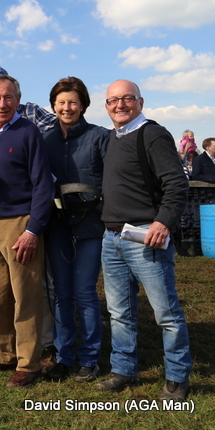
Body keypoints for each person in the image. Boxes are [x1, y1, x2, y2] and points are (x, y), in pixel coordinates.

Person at [97, 79, 192, 401]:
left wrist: (163, 222)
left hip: (145, 239)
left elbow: (177, 183)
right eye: (113, 101)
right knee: (119, 312)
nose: (120, 105)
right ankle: (124, 369)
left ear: (140, 101)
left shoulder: (152, 134)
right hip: (112, 239)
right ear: (106, 106)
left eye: (127, 99)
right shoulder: (112, 138)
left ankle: (177, 376)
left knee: (166, 313)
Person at [0, 65, 58, 366]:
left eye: (8, 98)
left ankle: (28, 362)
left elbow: (43, 184)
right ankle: (0, 354)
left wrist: (32, 230)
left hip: (19, 222)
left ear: (18, 100)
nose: (2, 104)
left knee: (25, 296)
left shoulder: (28, 132)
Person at [41, 77, 109, 383]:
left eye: (73, 102)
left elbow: (111, 180)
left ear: (82, 104)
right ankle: (64, 355)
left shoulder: (100, 137)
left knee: (84, 293)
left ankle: (90, 358)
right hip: (58, 226)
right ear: (53, 105)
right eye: (61, 102)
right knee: (62, 294)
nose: (67, 107)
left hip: (90, 226)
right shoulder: (45, 140)